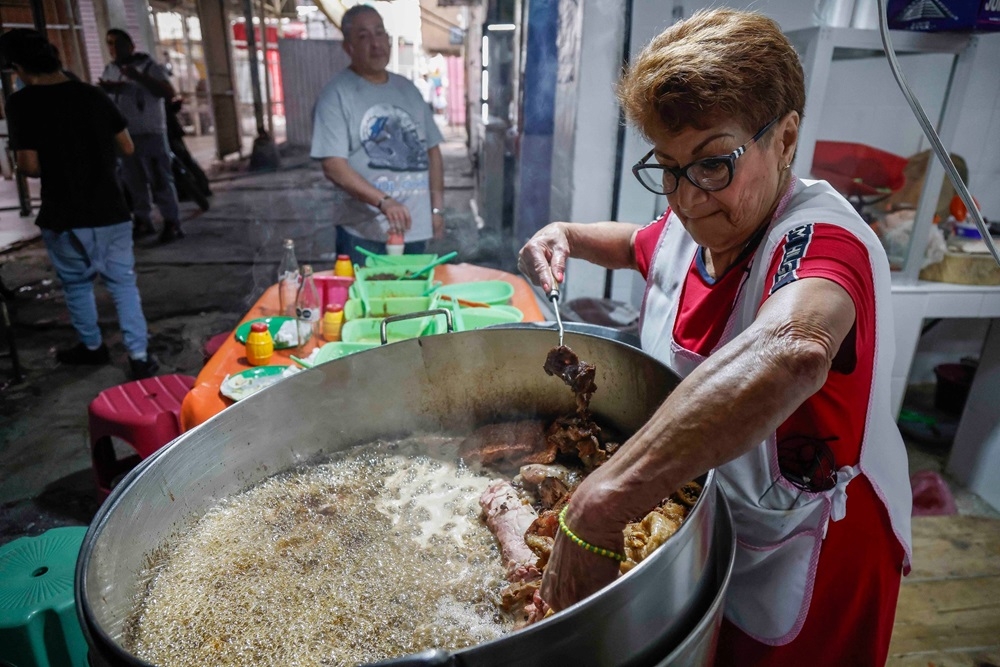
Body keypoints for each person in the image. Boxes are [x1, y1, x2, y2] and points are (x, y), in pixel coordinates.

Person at [517, 9, 911, 666]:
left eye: (713, 164)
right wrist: (567, 234)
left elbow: (795, 349)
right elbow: (637, 243)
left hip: (812, 550)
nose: (688, 199)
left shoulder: (821, 239)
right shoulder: (692, 227)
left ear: (785, 138)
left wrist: (600, 501)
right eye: (668, 168)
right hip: (719, 528)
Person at [0, 28, 159, 380]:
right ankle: (139, 355)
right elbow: (128, 147)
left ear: (18, 67)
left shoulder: (21, 102)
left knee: (76, 284)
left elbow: (28, 166)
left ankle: (92, 346)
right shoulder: (93, 95)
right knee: (122, 284)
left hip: (64, 212)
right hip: (109, 209)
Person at [311, 4, 445, 267]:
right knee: (368, 306)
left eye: (380, 33)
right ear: (348, 46)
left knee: (415, 305)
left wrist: (437, 210)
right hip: (364, 235)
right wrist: (384, 202)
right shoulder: (336, 94)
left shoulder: (408, 89)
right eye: (363, 36)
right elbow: (333, 166)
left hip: (415, 231)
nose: (376, 44)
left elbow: (433, 151)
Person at [99, 29, 184, 243]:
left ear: (130, 45)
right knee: (133, 181)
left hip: (151, 133)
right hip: (125, 135)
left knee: (159, 179)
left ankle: (171, 221)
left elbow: (168, 92)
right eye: (109, 44)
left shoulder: (148, 66)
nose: (113, 48)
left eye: (118, 43)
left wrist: (139, 78)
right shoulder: (110, 69)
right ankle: (143, 219)